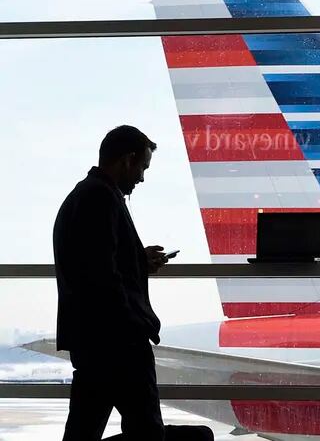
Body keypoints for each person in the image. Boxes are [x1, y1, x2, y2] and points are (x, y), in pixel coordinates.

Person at [54, 125, 213, 441]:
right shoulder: (100, 198)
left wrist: (138, 260)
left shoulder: (84, 195)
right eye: (142, 167)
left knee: (87, 431)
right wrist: (134, 324)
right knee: (147, 431)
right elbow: (102, 274)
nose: (141, 177)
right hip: (118, 342)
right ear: (127, 160)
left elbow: (96, 262)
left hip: (93, 340)